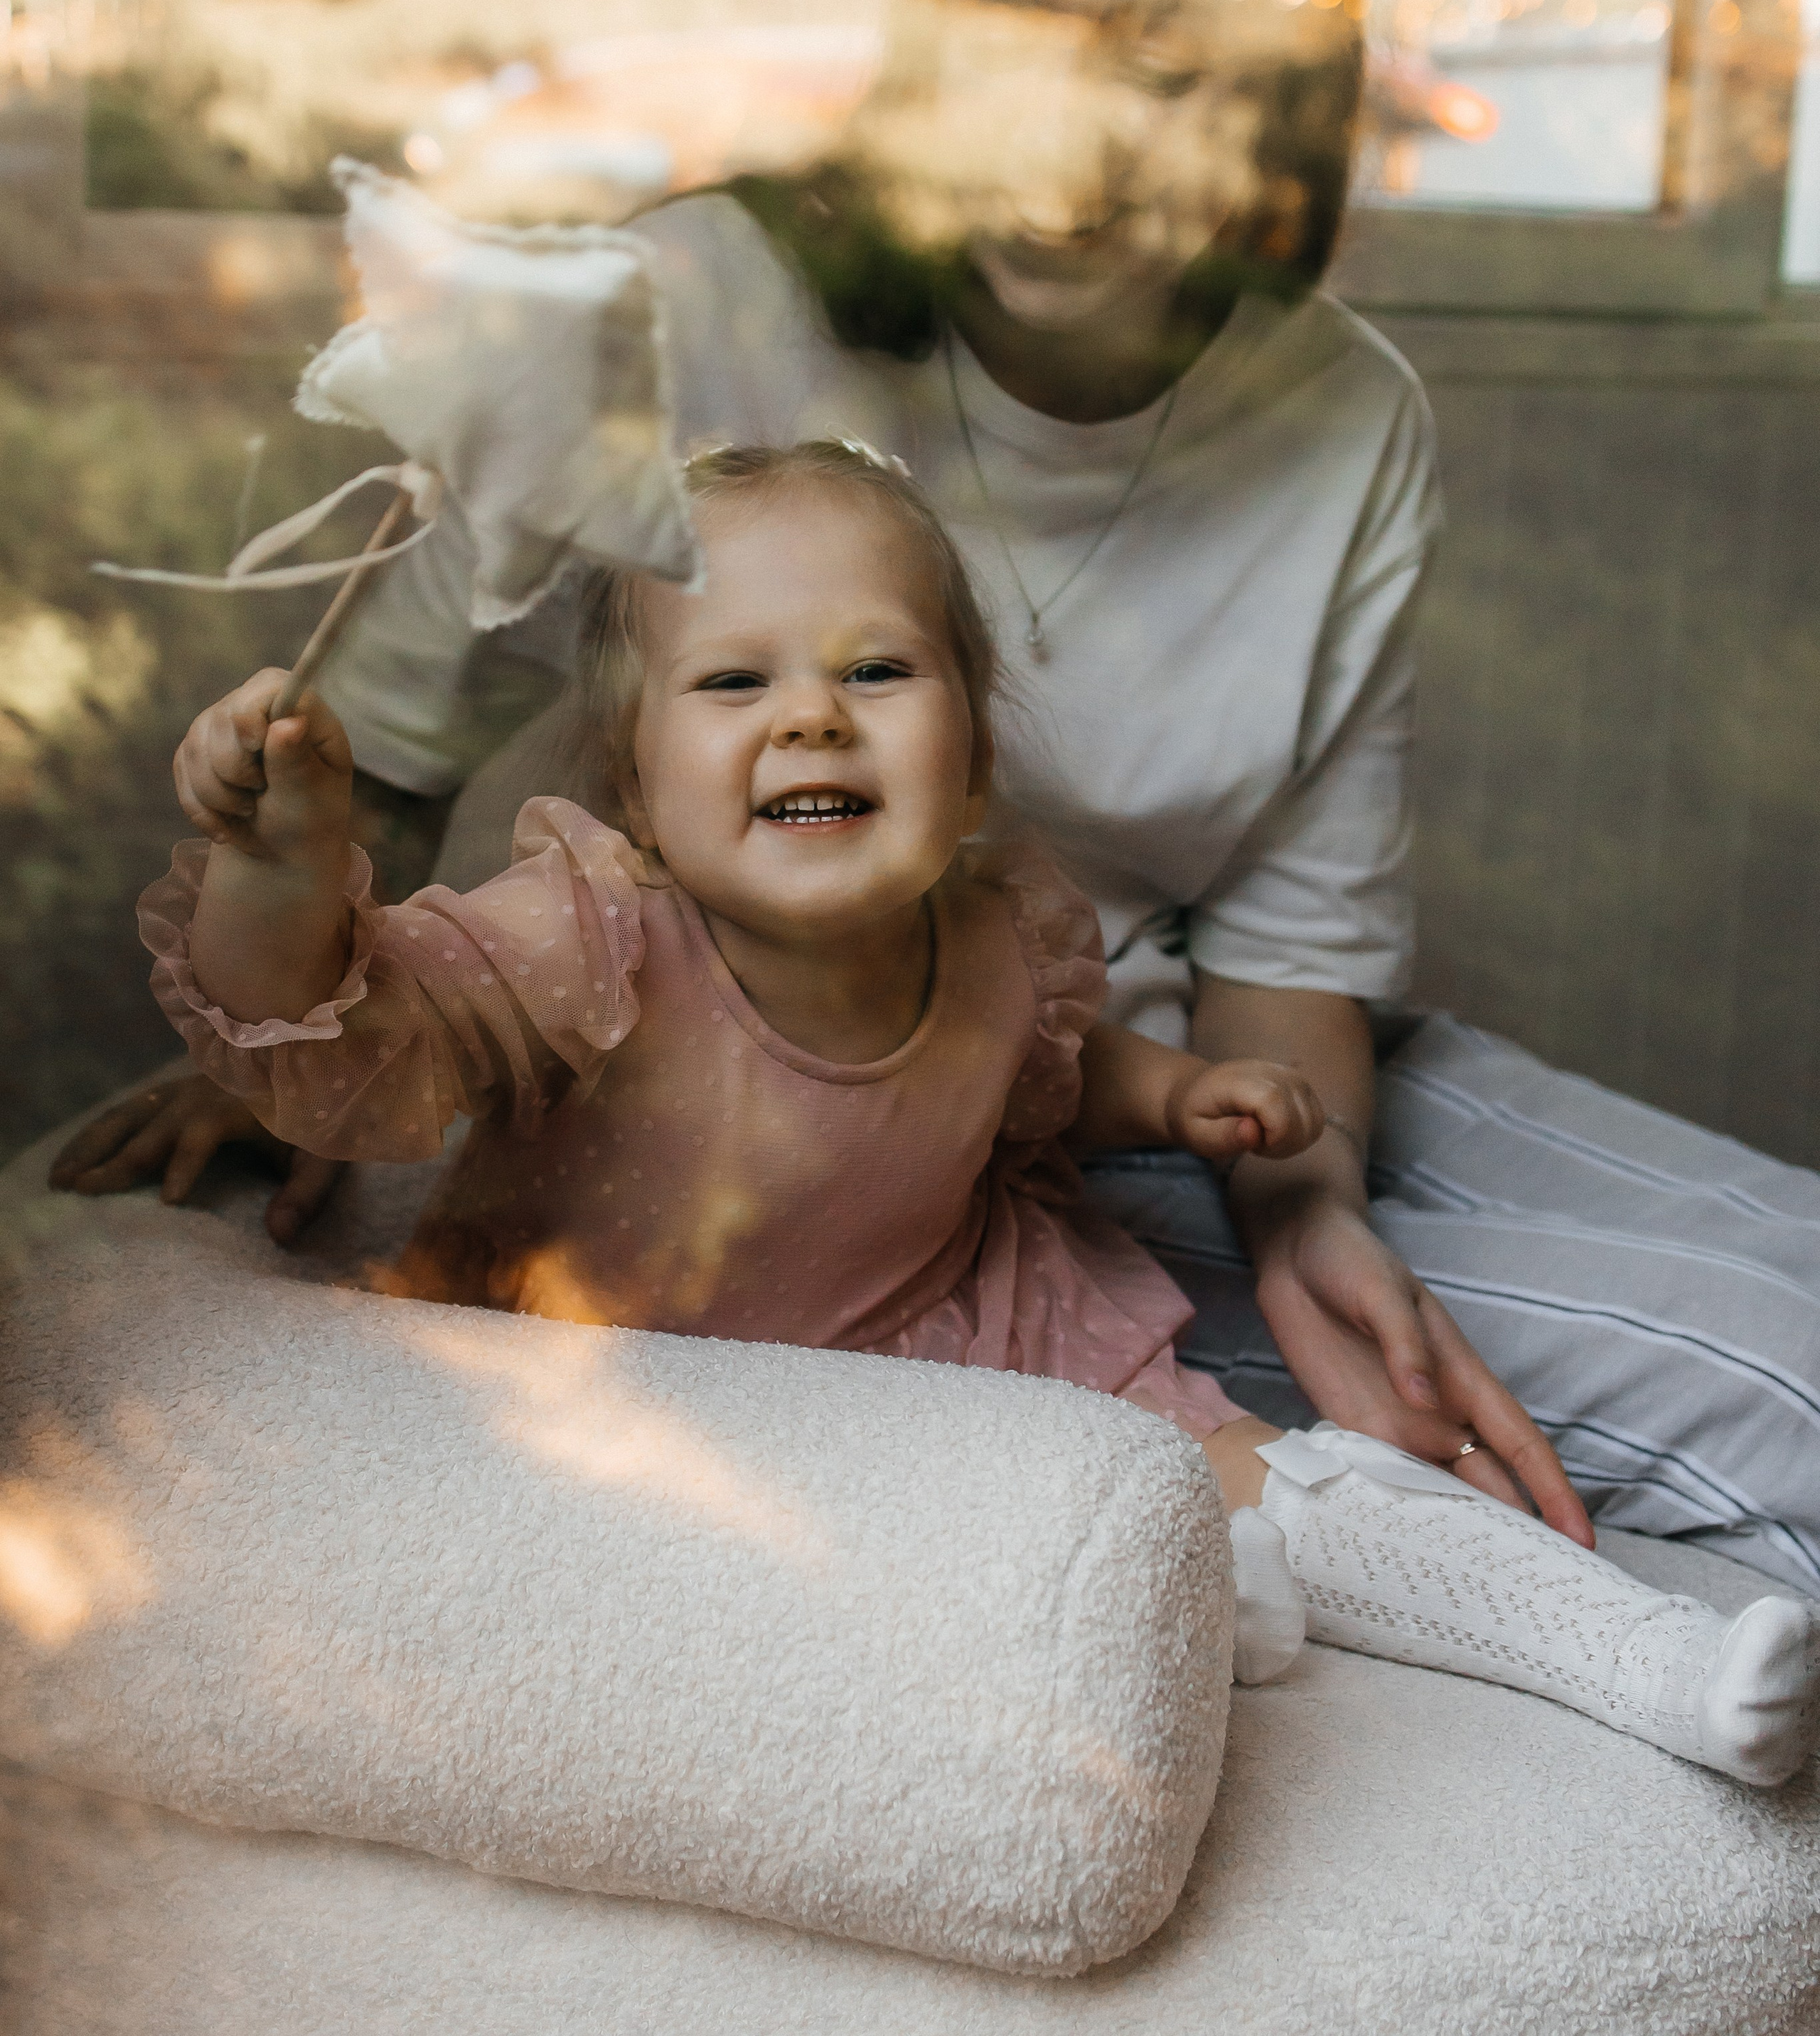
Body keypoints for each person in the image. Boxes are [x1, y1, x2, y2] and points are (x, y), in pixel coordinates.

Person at [56, 0, 1820, 1597]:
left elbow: (1297, 960)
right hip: (812, 1109)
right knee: (1783, 1410)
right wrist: (292, 1031)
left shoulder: (1351, 418)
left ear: (1277, 95)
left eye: (1158, 69)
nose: (1066, 149)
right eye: (1012, 56)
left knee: (1793, 1290)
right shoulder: (691, 301)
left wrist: (1307, 1212)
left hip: (1181, 1073)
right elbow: (381, 746)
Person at [141, 440, 1817, 1784]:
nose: (811, 712)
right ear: (635, 782)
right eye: (734, 684)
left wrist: (1178, 1093)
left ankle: (1643, 1660)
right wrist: (281, 862)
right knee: (935, 1599)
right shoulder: (588, 936)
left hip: (955, 1330)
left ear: (974, 759)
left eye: (876, 668)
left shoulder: (1000, 930)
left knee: (1286, 1479)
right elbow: (346, 1035)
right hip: (642, 1387)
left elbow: (1045, 1076)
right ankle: (1135, 1624)